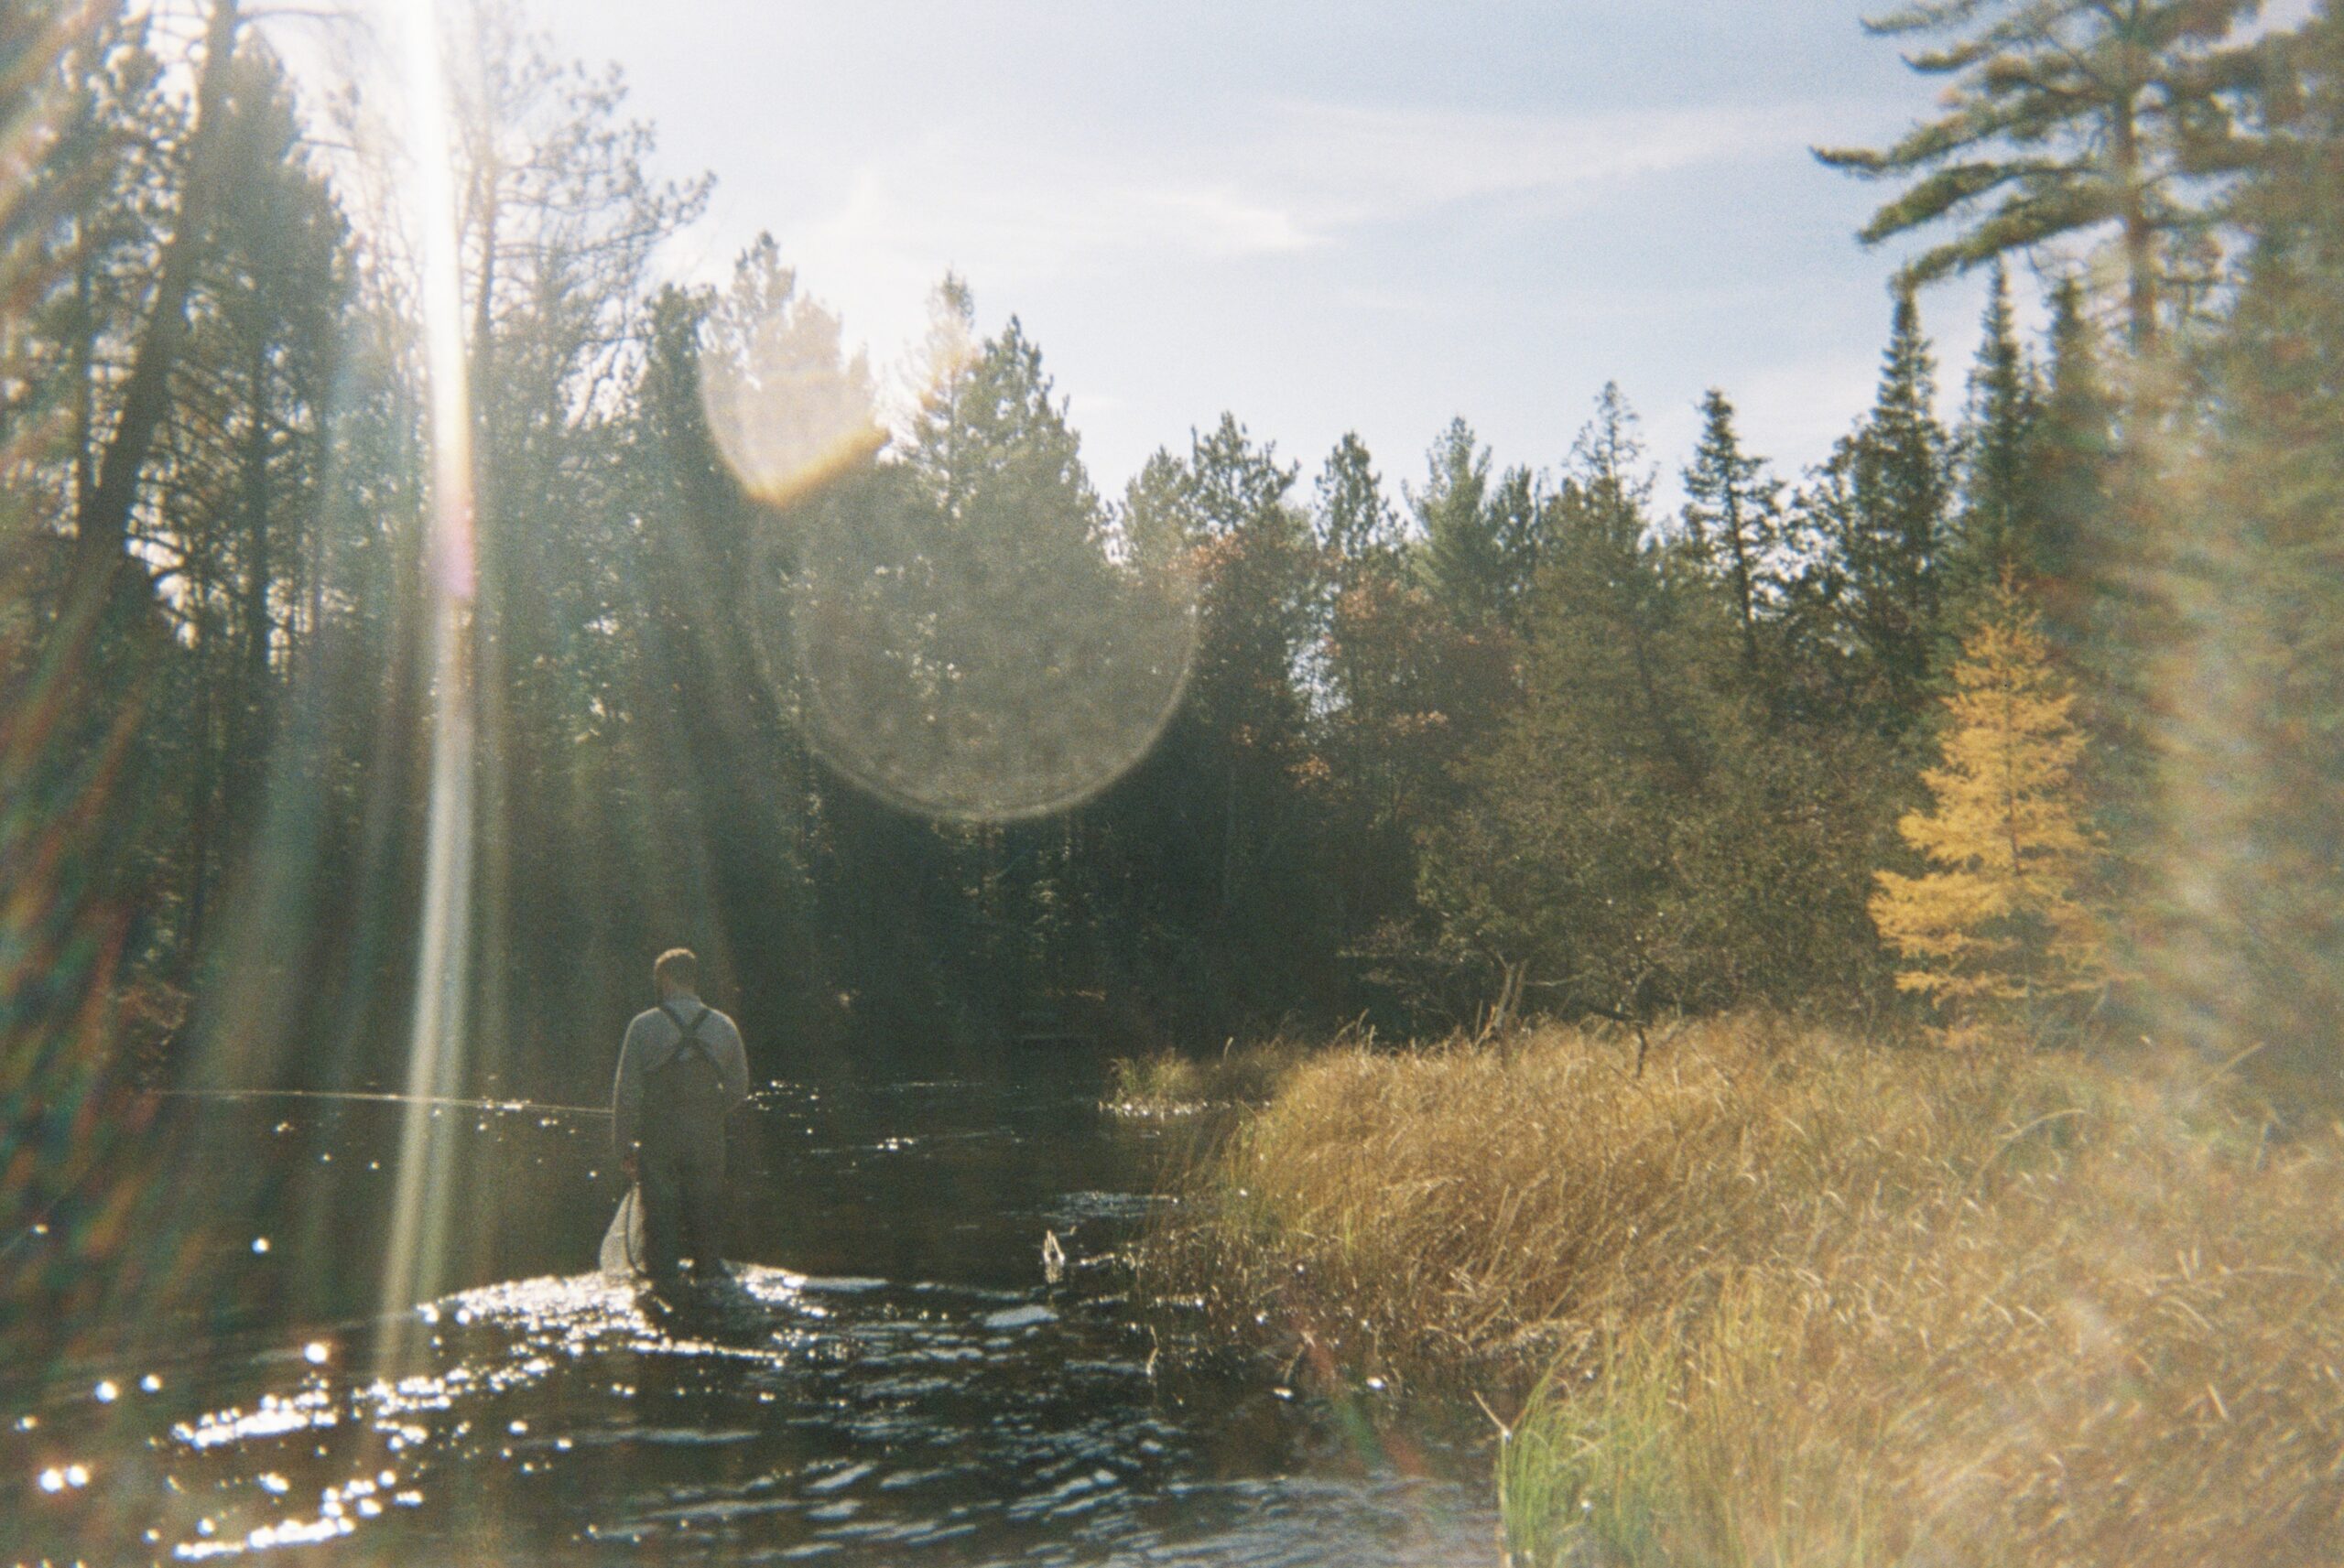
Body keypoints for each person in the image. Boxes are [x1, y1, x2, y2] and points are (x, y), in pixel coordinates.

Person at [611, 948, 748, 1296]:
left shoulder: (643, 1026)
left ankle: (666, 1305)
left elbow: (626, 1094)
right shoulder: (724, 1026)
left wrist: (623, 1146)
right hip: (707, 1140)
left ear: (666, 980)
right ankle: (710, 1288)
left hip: (660, 1144)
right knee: (707, 1229)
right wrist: (707, 1115)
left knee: (661, 1241)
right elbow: (739, 1088)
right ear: (694, 979)